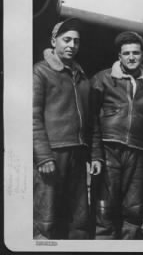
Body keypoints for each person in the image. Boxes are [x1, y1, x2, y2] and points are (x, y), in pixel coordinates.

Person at [33, 18, 102, 239]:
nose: (72, 45)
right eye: (66, 40)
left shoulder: (83, 79)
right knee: (46, 219)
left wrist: (96, 155)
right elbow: (32, 117)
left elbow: (92, 121)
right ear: (54, 41)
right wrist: (43, 157)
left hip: (78, 155)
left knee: (78, 220)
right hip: (52, 155)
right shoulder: (40, 72)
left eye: (76, 41)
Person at [90, 31, 143, 239]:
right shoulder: (102, 79)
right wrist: (95, 154)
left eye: (136, 53)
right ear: (119, 56)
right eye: (126, 53)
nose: (131, 57)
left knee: (134, 207)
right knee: (105, 206)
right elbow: (91, 120)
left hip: (137, 153)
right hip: (108, 149)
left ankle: (128, 244)